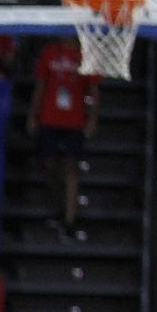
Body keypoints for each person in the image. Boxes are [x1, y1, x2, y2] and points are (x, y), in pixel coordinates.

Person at [27, 37, 99, 240]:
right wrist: (33, 114)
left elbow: (94, 90)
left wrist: (93, 118)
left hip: (74, 121)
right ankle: (60, 206)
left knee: (72, 168)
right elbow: (41, 84)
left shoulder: (86, 55)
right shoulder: (49, 52)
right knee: (49, 165)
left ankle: (69, 220)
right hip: (49, 118)